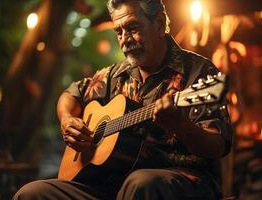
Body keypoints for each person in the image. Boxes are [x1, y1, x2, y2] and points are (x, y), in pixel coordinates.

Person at [13, 0, 233, 199]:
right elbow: (72, 93)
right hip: (111, 185)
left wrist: (181, 126)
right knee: (31, 193)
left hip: (180, 182)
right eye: (118, 32)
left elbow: (218, 145)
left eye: (133, 28)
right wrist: (67, 119)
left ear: (159, 23)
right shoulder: (115, 75)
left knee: (140, 183)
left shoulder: (199, 72)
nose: (124, 40)